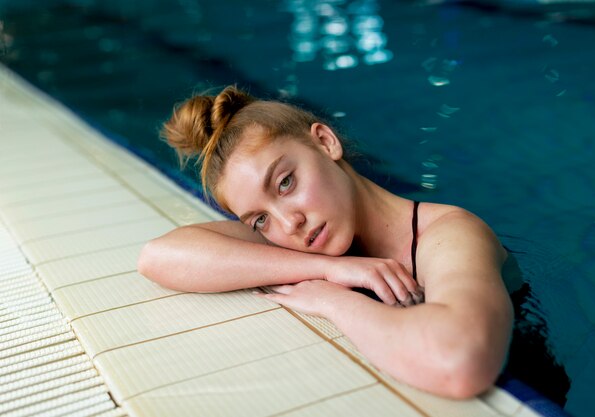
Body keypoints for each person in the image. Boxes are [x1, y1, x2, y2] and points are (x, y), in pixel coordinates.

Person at [137, 85, 513, 399]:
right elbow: (158, 256)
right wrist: (330, 268)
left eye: (285, 182)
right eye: (260, 219)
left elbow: (457, 364)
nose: (290, 223)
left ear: (325, 142)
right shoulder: (306, 241)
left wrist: (332, 300)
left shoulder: (449, 233)